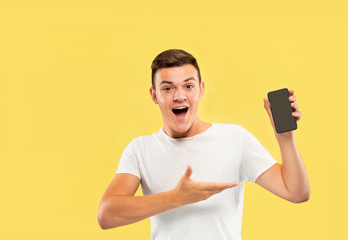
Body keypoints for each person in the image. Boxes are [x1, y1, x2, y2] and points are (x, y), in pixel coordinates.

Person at [97, 49, 310, 239]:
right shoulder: (139, 149)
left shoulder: (235, 138)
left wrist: (285, 138)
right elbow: (107, 214)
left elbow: (296, 192)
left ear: (200, 90)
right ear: (154, 95)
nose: (179, 96)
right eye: (168, 89)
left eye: (188, 86)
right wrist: (177, 198)